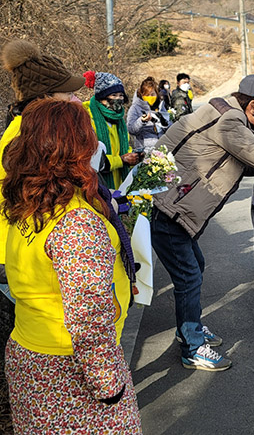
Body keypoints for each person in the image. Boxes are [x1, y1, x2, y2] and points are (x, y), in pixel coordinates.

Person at [151, 73, 254, 371]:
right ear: (253, 105)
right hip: (171, 211)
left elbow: (240, 161)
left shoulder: (221, 110)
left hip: (173, 208)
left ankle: (189, 329)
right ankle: (192, 346)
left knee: (194, 269)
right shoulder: (230, 121)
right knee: (189, 276)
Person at [2, 99, 141, 433]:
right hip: (68, 370)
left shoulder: (28, 203)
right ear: (76, 148)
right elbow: (89, 317)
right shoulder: (76, 222)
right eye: (89, 136)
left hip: (29, 353)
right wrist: (110, 384)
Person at [0, 39, 85, 268]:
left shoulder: (25, 128)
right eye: (66, 93)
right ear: (44, 98)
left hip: (25, 246)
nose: (73, 99)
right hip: (21, 252)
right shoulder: (27, 136)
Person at [82, 71, 141, 189]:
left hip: (119, 182)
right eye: (113, 95)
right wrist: (120, 160)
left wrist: (134, 157)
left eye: (121, 95)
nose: (118, 99)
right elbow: (90, 158)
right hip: (97, 184)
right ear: (101, 97)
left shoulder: (118, 120)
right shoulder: (87, 118)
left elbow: (125, 147)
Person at [127, 76, 172, 150]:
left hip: (162, 149)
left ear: (157, 94)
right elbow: (131, 130)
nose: (150, 97)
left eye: (152, 94)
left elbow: (169, 128)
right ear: (141, 94)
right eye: (147, 95)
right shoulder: (135, 108)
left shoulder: (160, 107)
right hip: (144, 151)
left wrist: (165, 122)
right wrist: (142, 121)